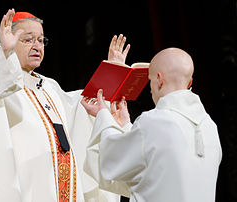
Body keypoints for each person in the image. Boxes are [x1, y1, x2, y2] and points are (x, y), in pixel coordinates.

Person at [0, 9, 131, 202]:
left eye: (41, 40)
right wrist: (1, 54)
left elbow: (83, 108)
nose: (37, 46)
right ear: (9, 39)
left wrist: (112, 72)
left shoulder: (49, 86)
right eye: (28, 39)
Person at [81, 47, 222, 202]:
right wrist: (126, 125)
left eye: (150, 80)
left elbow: (107, 163)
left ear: (159, 80)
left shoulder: (154, 122)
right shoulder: (210, 127)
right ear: (190, 82)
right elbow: (155, 175)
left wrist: (103, 115)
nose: (150, 90)